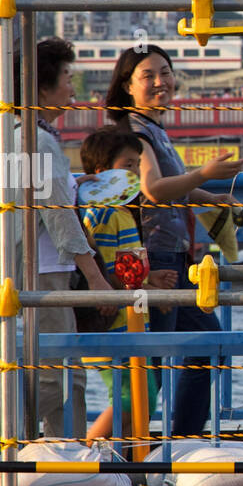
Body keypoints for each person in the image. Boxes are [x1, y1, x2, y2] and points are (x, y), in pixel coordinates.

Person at [0, 36, 113, 439]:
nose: (73, 86)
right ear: (42, 89)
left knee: (67, 379)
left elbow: (46, 195)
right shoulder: (38, 141)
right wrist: (97, 278)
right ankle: (0, 434)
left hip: (41, 270)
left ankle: (57, 465)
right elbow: (59, 217)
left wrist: (72, 182)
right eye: (67, 77)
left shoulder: (25, 134)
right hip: (44, 274)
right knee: (60, 379)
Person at [104, 45, 243, 437]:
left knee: (205, 345)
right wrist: (204, 174)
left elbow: (171, 188)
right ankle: (114, 450)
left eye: (165, 72)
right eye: (148, 76)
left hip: (175, 256)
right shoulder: (135, 131)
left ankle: (179, 443)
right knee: (154, 368)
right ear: (127, 86)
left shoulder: (154, 129)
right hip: (156, 256)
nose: (160, 82)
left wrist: (210, 198)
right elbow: (153, 190)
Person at [74, 125, 178, 444]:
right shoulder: (103, 214)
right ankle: (85, 456)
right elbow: (105, 267)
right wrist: (148, 291)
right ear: (101, 172)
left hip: (131, 321)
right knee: (130, 398)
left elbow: (125, 266)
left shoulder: (121, 213)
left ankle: (123, 465)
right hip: (115, 322)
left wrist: (150, 279)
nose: (134, 172)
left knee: (142, 395)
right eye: (127, 165)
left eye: (137, 164)